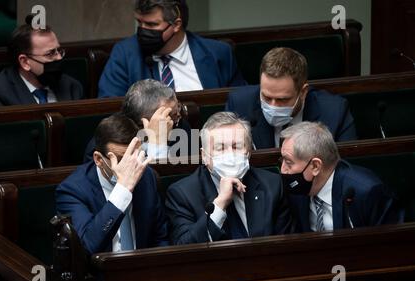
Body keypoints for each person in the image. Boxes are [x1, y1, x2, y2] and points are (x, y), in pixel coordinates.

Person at [165, 112, 292, 245]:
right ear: (204, 156)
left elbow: (286, 245)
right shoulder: (182, 194)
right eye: (220, 148)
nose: (230, 155)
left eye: (237, 146)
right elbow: (184, 248)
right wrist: (220, 204)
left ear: (248, 151)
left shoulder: (273, 185)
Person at [56, 114, 168, 254]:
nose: (129, 166)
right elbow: (88, 247)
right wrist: (122, 190)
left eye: (133, 156)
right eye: (120, 159)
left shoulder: (147, 177)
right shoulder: (72, 191)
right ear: (98, 159)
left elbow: (160, 238)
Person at [98, 0, 246, 97]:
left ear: (176, 25)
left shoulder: (218, 53)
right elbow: (109, 111)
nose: (142, 30)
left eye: (151, 25)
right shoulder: (124, 54)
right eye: (139, 23)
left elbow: (239, 104)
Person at [279, 121, 404, 232]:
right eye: (282, 161)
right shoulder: (296, 192)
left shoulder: (366, 192)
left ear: (315, 166)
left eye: (288, 162)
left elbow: (392, 246)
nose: (283, 170)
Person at [226, 47, 356, 149]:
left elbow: (345, 168)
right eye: (266, 97)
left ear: (303, 92)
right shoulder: (239, 104)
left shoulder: (334, 111)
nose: (273, 106)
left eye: (282, 100)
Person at [0, 15, 83, 107]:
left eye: (59, 51)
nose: (59, 58)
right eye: (50, 53)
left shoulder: (72, 87)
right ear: (25, 62)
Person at [84, 79, 195, 163]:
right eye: (170, 115)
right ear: (144, 122)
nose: (178, 116)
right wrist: (156, 145)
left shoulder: (180, 127)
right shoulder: (107, 144)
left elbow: (183, 174)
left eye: (178, 107)